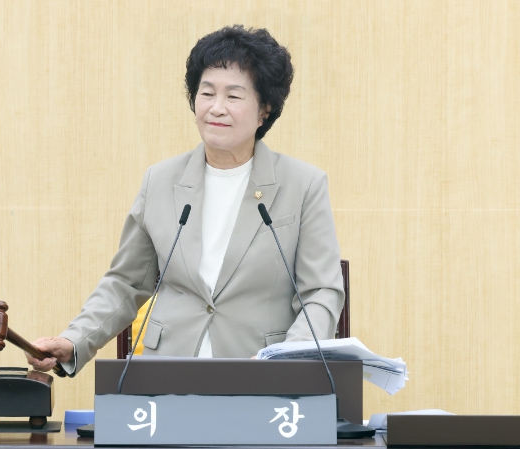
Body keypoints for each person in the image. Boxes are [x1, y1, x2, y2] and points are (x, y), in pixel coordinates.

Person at [26, 25, 344, 376]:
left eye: (234, 97)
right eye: (206, 93)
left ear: (264, 109)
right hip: (168, 373)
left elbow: (321, 292)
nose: (216, 108)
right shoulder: (160, 181)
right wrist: (74, 340)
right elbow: (127, 282)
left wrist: (285, 359)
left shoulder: (303, 185)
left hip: (260, 376)